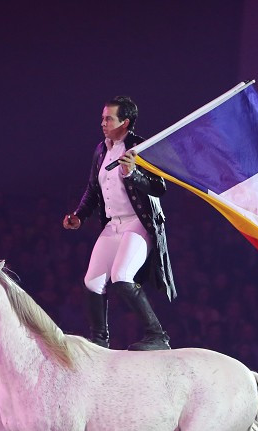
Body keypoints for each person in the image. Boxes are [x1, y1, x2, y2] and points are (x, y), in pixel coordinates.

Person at [62, 95, 175, 350]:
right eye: (102, 117)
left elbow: (159, 188)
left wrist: (132, 173)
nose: (102, 122)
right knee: (92, 281)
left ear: (124, 122)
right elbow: (93, 189)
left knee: (122, 276)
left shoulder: (140, 147)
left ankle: (158, 336)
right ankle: (99, 341)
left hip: (138, 222)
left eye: (108, 118)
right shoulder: (101, 149)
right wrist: (79, 215)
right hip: (113, 225)